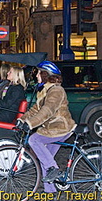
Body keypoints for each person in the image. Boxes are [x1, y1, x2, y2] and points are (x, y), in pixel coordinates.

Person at [17, 61, 76, 193]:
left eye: (39, 73)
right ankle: (50, 191)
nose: (36, 75)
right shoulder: (45, 90)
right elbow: (35, 110)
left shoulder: (56, 90)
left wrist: (30, 124)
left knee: (34, 140)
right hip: (52, 128)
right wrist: (22, 120)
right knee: (45, 158)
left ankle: (54, 169)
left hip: (60, 128)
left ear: (45, 75)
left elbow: (47, 111)